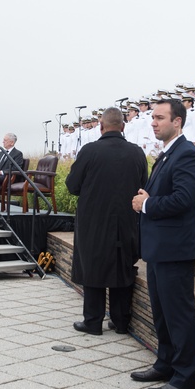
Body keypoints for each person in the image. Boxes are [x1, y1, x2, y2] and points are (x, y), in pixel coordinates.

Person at [130, 99, 195, 389]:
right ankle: (166, 364)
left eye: (160, 118)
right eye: (153, 118)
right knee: (162, 314)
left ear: (178, 122)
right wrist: (149, 197)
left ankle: (185, 380)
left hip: (175, 250)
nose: (153, 122)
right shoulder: (165, 155)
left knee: (179, 316)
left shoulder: (186, 155)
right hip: (159, 248)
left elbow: (183, 200)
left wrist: (146, 203)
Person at [66, 107, 148, 336]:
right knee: (122, 267)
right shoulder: (136, 153)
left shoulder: (90, 151)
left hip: (94, 221)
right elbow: (144, 185)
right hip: (127, 221)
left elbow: (72, 185)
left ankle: (93, 322)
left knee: (93, 267)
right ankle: (121, 322)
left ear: (101, 127)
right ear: (123, 126)